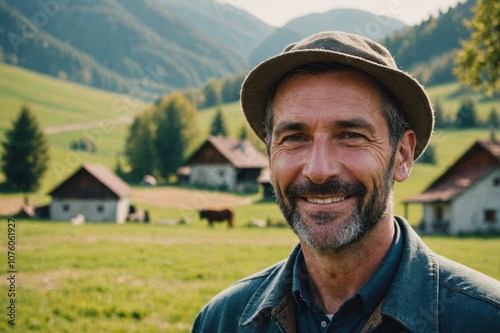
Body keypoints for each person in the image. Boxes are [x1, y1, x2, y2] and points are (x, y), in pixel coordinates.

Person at [192, 31, 500, 332]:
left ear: (402, 156)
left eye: (351, 136)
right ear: (270, 157)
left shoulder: (485, 320)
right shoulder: (221, 321)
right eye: (295, 138)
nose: (318, 170)